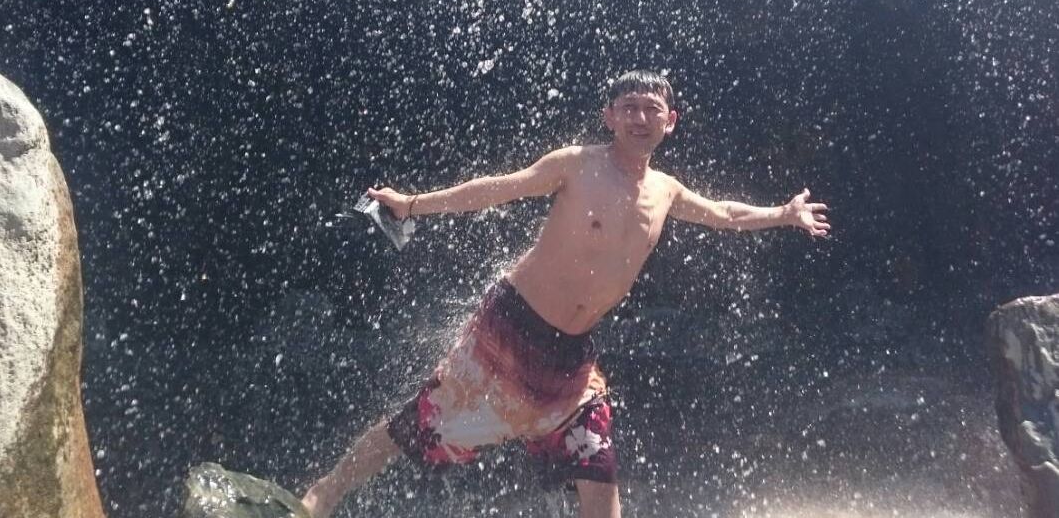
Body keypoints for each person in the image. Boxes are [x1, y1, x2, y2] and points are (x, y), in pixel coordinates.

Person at [301, 69, 830, 518]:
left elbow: (723, 214)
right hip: (509, 329)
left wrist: (782, 214)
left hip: (573, 360)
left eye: (651, 109)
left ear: (670, 121)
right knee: (418, 424)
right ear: (609, 117)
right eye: (629, 107)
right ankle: (324, 493)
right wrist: (412, 203)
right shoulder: (576, 164)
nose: (640, 117)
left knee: (599, 467)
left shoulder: (666, 190)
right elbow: (497, 188)